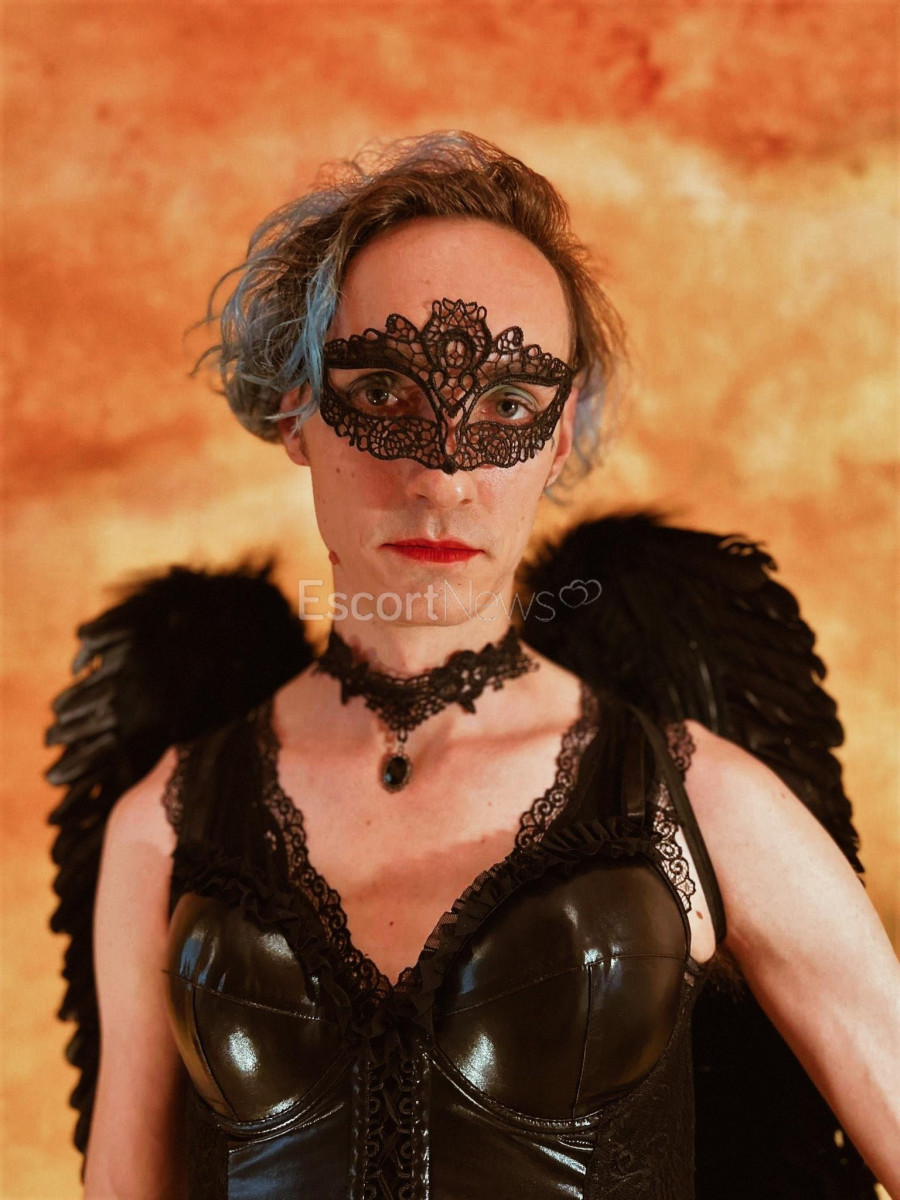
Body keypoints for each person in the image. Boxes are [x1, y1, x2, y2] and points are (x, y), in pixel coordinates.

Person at [45, 131, 900, 1199]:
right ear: (296, 411)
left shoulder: (704, 805)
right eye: (383, 394)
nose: (442, 478)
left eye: (504, 407)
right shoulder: (162, 828)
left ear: (560, 432)